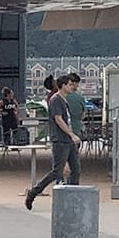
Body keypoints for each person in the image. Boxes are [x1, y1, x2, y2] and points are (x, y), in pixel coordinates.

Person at [25, 75, 81, 209]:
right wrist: (71, 134)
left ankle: (72, 198)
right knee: (57, 171)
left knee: (76, 169)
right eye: (69, 84)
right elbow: (58, 119)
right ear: (62, 86)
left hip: (68, 140)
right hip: (60, 140)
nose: (71, 87)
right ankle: (34, 192)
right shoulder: (56, 100)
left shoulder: (64, 100)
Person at [64, 73, 85, 139]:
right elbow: (83, 116)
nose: (78, 85)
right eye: (77, 83)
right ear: (74, 83)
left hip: (63, 129)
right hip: (76, 128)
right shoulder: (80, 98)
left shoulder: (61, 97)